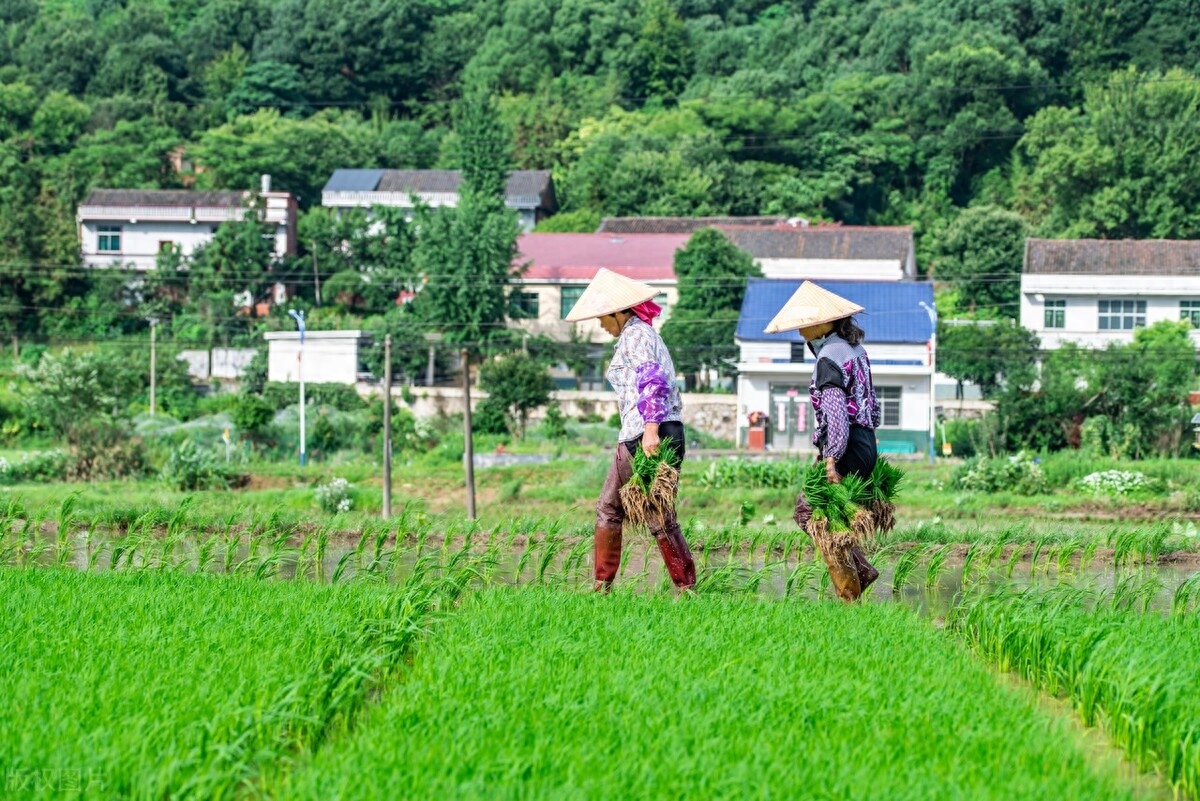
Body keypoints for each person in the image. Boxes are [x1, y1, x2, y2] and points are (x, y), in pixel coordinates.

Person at [565, 268, 696, 592]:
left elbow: (652, 380)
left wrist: (650, 431)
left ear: (618, 312)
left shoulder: (636, 335)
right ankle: (608, 584)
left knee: (647, 513)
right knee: (619, 508)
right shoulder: (643, 334)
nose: (600, 324)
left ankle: (682, 586)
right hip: (659, 429)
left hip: (646, 433)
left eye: (602, 317)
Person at [764, 281, 880, 601]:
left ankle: (849, 589)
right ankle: (858, 572)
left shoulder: (828, 356)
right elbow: (871, 400)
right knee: (829, 515)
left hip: (844, 446)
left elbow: (836, 414)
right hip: (865, 441)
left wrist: (830, 458)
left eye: (806, 323)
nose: (801, 330)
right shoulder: (855, 350)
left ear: (825, 322)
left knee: (809, 512)